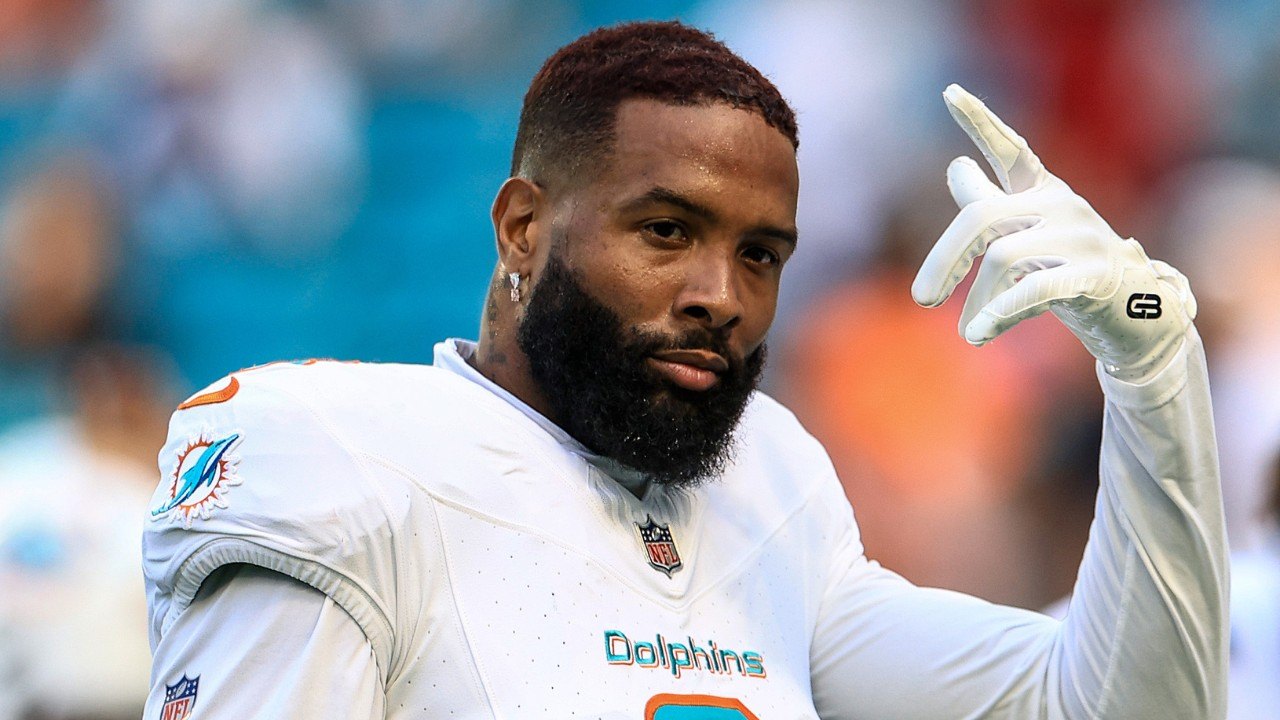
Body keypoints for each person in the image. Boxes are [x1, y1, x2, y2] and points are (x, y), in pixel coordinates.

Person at [142, 22, 1226, 719]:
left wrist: (1153, 373)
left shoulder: (771, 487)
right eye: (665, 231)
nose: (721, 293)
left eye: (761, 253)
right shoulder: (334, 452)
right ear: (522, 227)